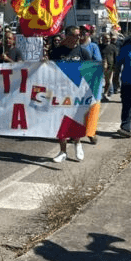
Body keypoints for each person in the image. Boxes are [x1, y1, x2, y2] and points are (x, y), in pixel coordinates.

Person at [46, 25, 92, 162]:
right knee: (60, 122)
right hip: (60, 91)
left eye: (79, 35)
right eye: (75, 35)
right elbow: (50, 69)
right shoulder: (56, 52)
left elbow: (90, 71)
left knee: (75, 120)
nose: (78, 37)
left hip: (77, 92)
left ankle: (77, 144)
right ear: (67, 36)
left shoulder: (83, 52)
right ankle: (62, 151)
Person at [99, 34, 119, 99]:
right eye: (105, 38)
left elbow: (116, 57)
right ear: (102, 39)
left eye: (108, 38)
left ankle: (105, 94)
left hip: (110, 67)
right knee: (99, 82)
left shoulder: (113, 47)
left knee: (108, 81)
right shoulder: (99, 47)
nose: (107, 40)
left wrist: (115, 67)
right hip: (99, 67)